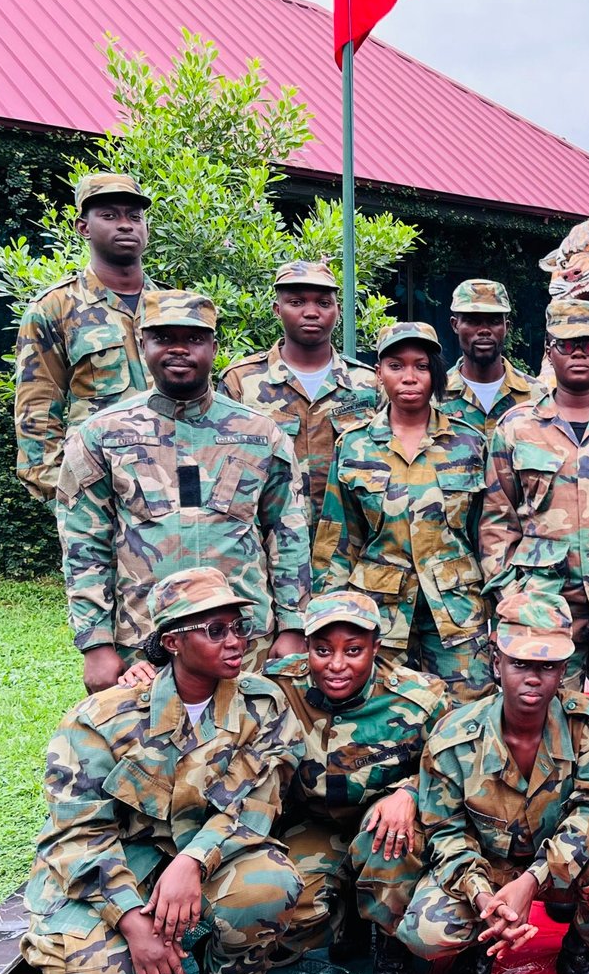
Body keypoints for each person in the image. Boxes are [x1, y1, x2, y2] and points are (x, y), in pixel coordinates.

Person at [20, 567, 303, 974]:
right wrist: (132, 920)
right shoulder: (101, 721)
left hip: (203, 858)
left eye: (239, 626)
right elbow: (76, 834)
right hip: (117, 868)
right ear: (172, 642)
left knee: (270, 884)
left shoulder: (262, 704)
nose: (235, 641)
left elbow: (256, 800)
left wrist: (192, 861)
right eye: (215, 630)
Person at [366, 591, 589, 974]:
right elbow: (446, 832)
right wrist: (482, 895)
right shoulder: (455, 736)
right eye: (520, 663)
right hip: (488, 868)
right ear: (497, 663)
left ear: (563, 670)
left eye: (547, 666)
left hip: (559, 867)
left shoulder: (586, 724)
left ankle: (583, 956)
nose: (533, 678)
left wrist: (533, 880)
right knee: (426, 932)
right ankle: (482, 943)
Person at [57, 290, 310, 693]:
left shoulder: (260, 434)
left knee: (248, 731)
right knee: (151, 732)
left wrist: (293, 626)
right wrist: (96, 643)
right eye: (163, 338)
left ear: (214, 347)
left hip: (243, 641)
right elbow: (84, 542)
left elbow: (288, 533)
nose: (179, 349)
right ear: (142, 344)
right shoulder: (103, 434)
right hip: (145, 642)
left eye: (193, 338)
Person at [262, 591, 446, 974]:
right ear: (307, 648)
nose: (337, 665)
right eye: (323, 650)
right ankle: (349, 919)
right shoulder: (278, 686)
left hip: (388, 827)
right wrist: (146, 669)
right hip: (317, 824)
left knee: (389, 838)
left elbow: (457, 765)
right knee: (285, 918)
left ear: (376, 647)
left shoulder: (419, 698)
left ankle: (393, 959)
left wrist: (409, 790)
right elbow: (213, 690)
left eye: (354, 650)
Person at [481, 300, 589, 735]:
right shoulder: (517, 427)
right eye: (567, 345)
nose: (579, 353)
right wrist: (511, 597)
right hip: (543, 607)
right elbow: (497, 521)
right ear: (549, 351)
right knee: (552, 729)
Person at [315, 321, 493, 706]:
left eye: (421, 366)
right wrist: (328, 614)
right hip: (379, 613)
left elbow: (488, 534)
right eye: (396, 366)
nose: (409, 377)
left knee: (468, 715)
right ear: (379, 373)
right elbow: (337, 539)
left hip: (457, 612)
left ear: (435, 373)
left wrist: (500, 608)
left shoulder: (470, 442)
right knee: (385, 716)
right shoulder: (355, 445)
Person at [14, 172, 156, 502]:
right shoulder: (55, 308)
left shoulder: (171, 307)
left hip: (177, 491)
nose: (126, 225)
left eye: (134, 216)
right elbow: (37, 414)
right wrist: (64, 499)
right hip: (97, 496)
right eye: (109, 215)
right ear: (83, 227)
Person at [219, 260, 379, 525]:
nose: (311, 312)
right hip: (271, 536)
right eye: (296, 302)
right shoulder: (241, 381)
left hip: (349, 539)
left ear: (338, 311)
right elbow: (222, 471)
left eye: (323, 303)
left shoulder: (368, 383)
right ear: (277, 309)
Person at [438, 278, 549, 433]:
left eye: (494, 321)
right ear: (455, 325)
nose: (484, 330)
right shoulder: (434, 396)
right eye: (473, 321)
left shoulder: (538, 395)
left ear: (506, 327)